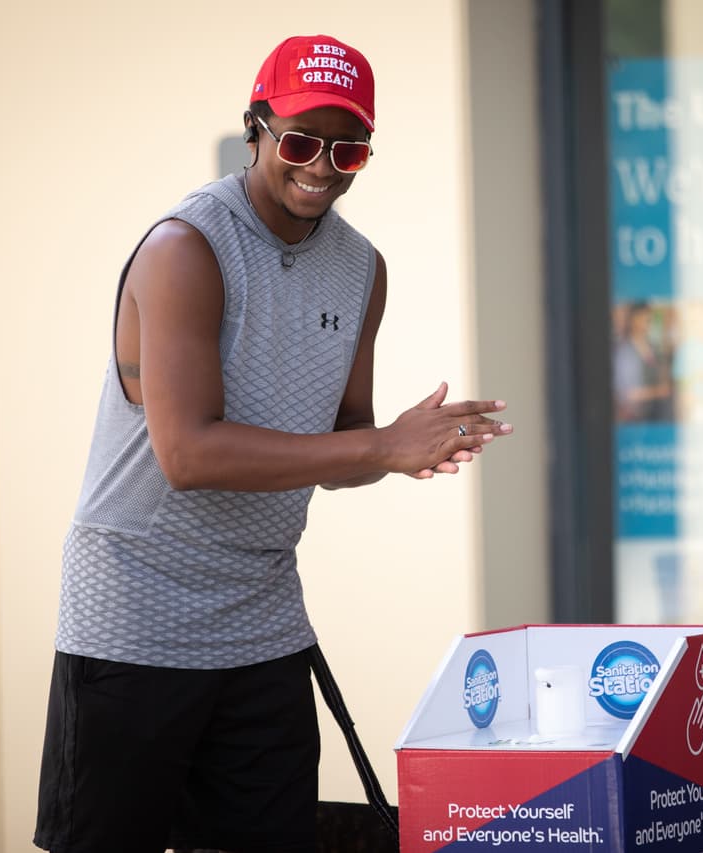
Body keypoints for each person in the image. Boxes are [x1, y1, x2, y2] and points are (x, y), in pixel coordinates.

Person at [33, 33, 512, 853]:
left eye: (349, 147)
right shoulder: (186, 248)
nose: (322, 164)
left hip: (261, 619)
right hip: (133, 617)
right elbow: (189, 455)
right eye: (299, 140)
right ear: (256, 128)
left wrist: (405, 446)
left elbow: (345, 449)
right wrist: (379, 449)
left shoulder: (363, 268)